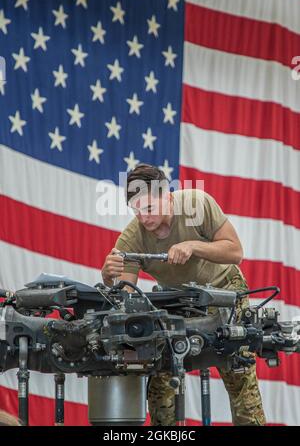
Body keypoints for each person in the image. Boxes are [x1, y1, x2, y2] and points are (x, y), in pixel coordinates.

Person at [102, 164, 266, 426]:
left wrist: (193, 246)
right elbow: (124, 296)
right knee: (161, 381)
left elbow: (235, 252)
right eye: (136, 210)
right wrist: (108, 276)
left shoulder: (196, 205)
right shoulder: (132, 238)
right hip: (178, 303)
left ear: (167, 197)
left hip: (225, 291)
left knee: (239, 375)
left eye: (149, 208)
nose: (143, 218)